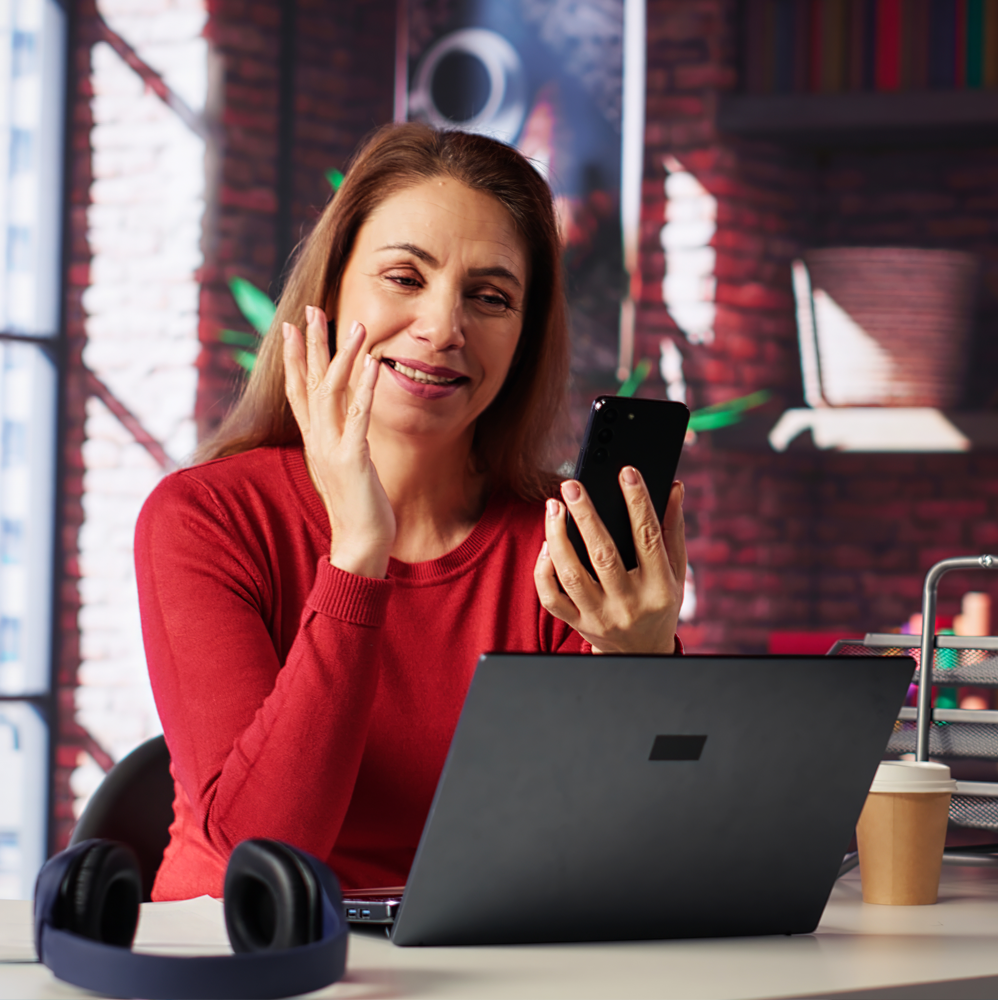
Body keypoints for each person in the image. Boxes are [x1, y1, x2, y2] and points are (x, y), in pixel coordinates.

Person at [135, 124, 686, 900]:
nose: (442, 328)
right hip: (248, 958)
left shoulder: (561, 548)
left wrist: (645, 666)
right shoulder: (205, 519)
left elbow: (626, 855)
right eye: (404, 277)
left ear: (524, 340)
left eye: (489, 297)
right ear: (330, 294)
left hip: (485, 968)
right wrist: (358, 554)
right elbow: (264, 849)